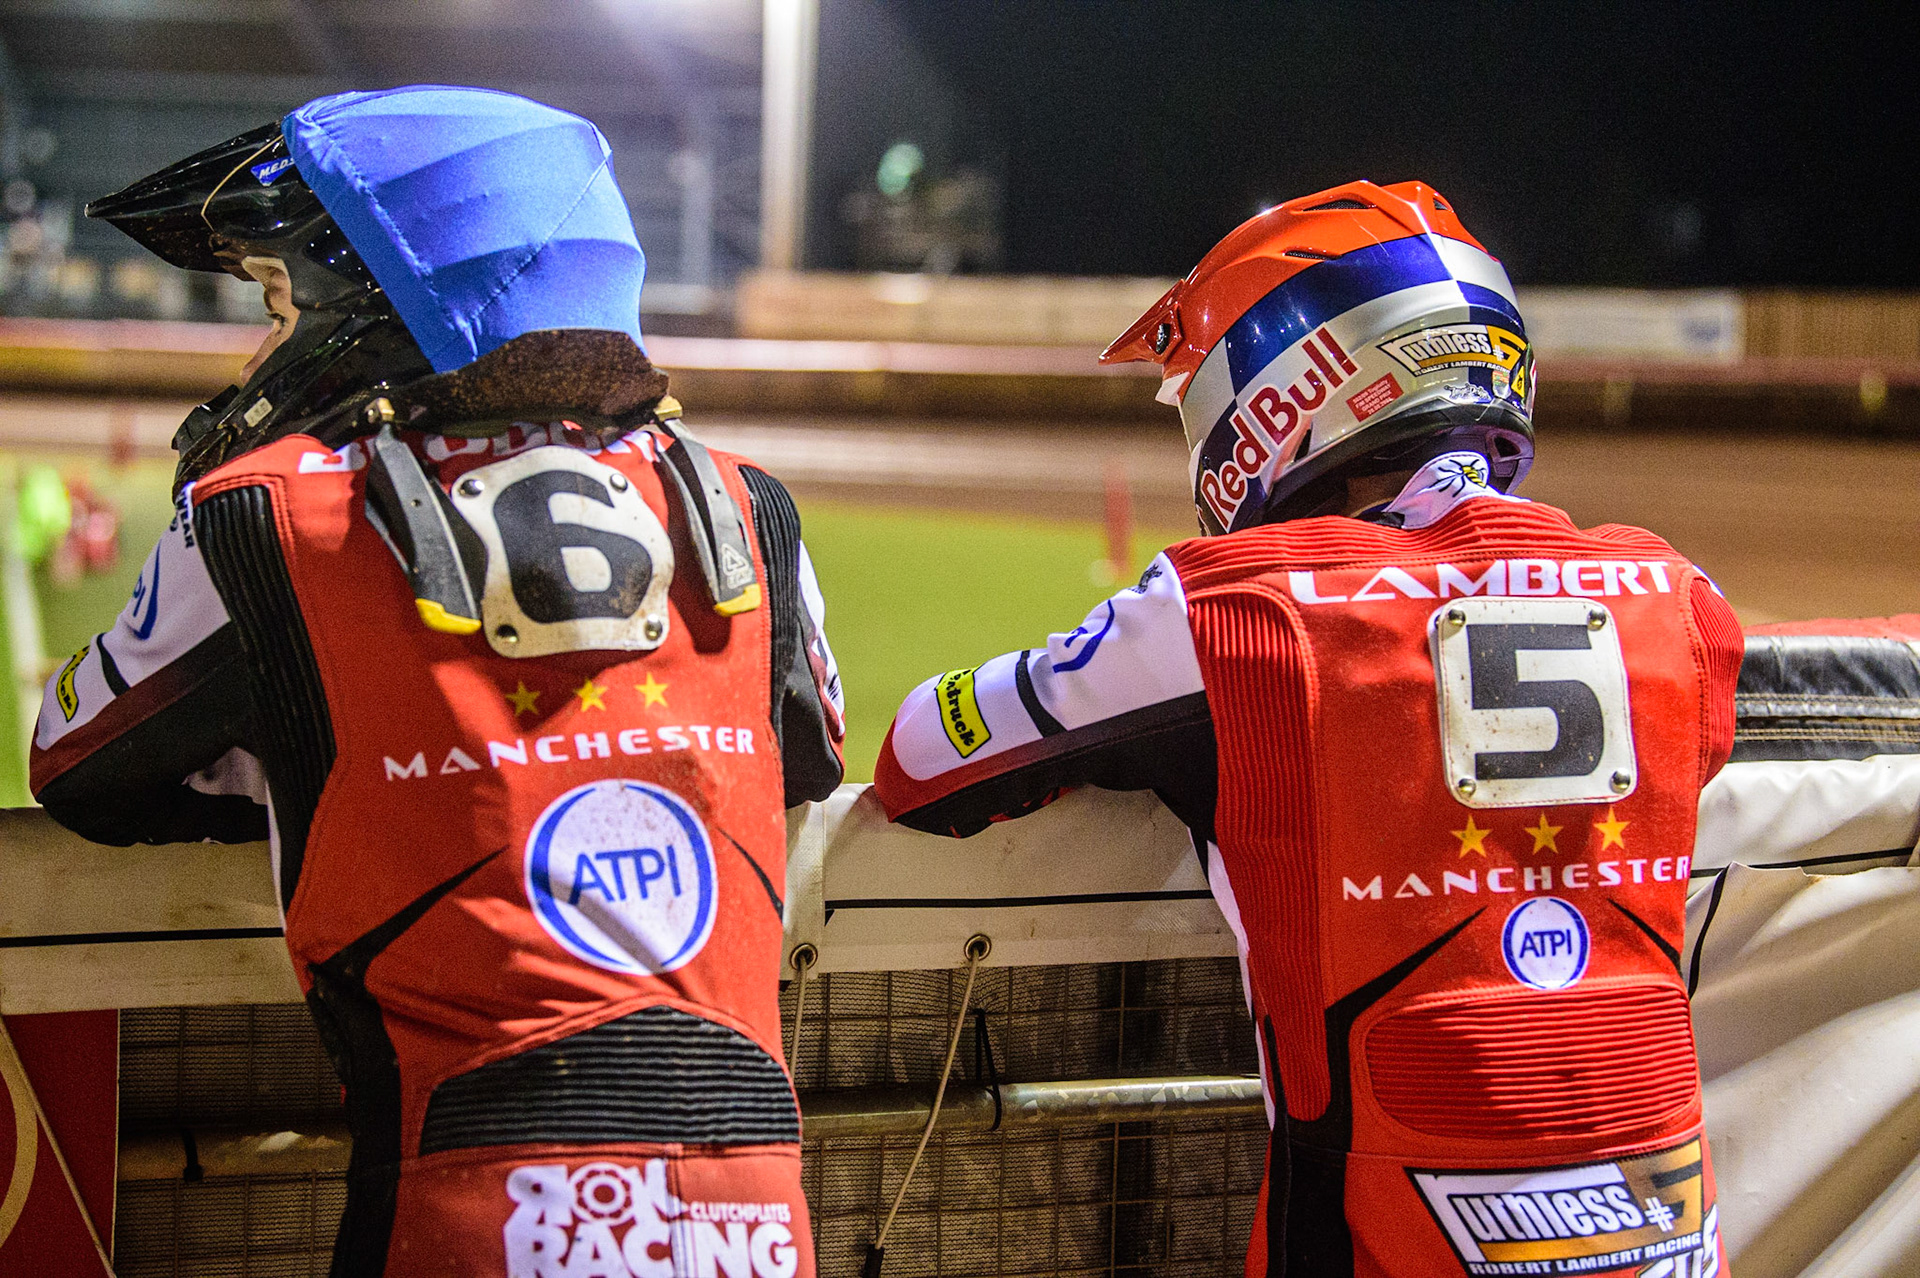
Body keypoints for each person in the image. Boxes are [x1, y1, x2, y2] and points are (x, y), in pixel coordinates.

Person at [33, 86, 843, 1278]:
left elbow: (77, 763)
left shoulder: (266, 521)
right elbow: (809, 755)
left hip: (464, 1212)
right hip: (755, 1226)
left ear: (371, 302)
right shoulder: (748, 506)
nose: (259, 350)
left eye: (272, 301)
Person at [872, 181, 1740, 1277]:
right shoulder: (1681, 593)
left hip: (1381, 1230)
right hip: (1670, 1226)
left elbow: (920, 759)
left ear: (1284, 397)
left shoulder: (1230, 604)